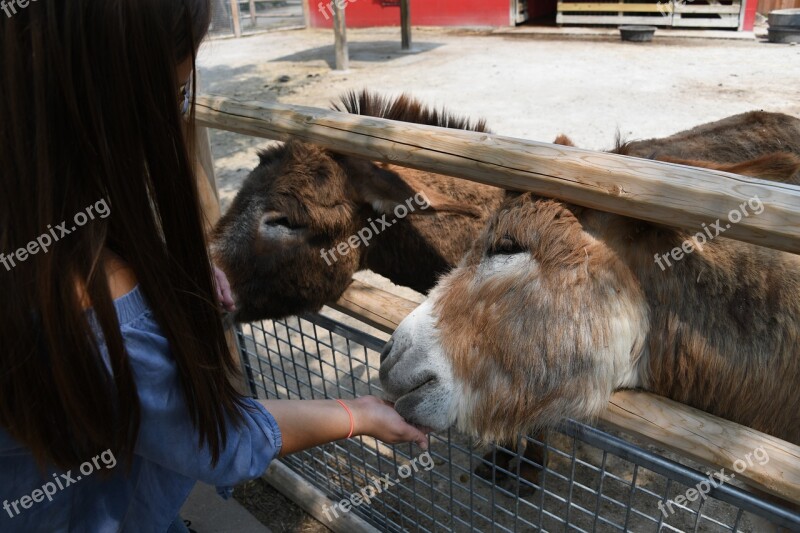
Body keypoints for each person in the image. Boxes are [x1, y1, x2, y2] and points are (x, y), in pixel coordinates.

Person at [0, 2, 428, 531]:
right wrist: (356, 414)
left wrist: (162, 278)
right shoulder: (105, 311)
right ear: (114, 111)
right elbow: (222, 442)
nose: (184, 109)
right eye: (179, 95)